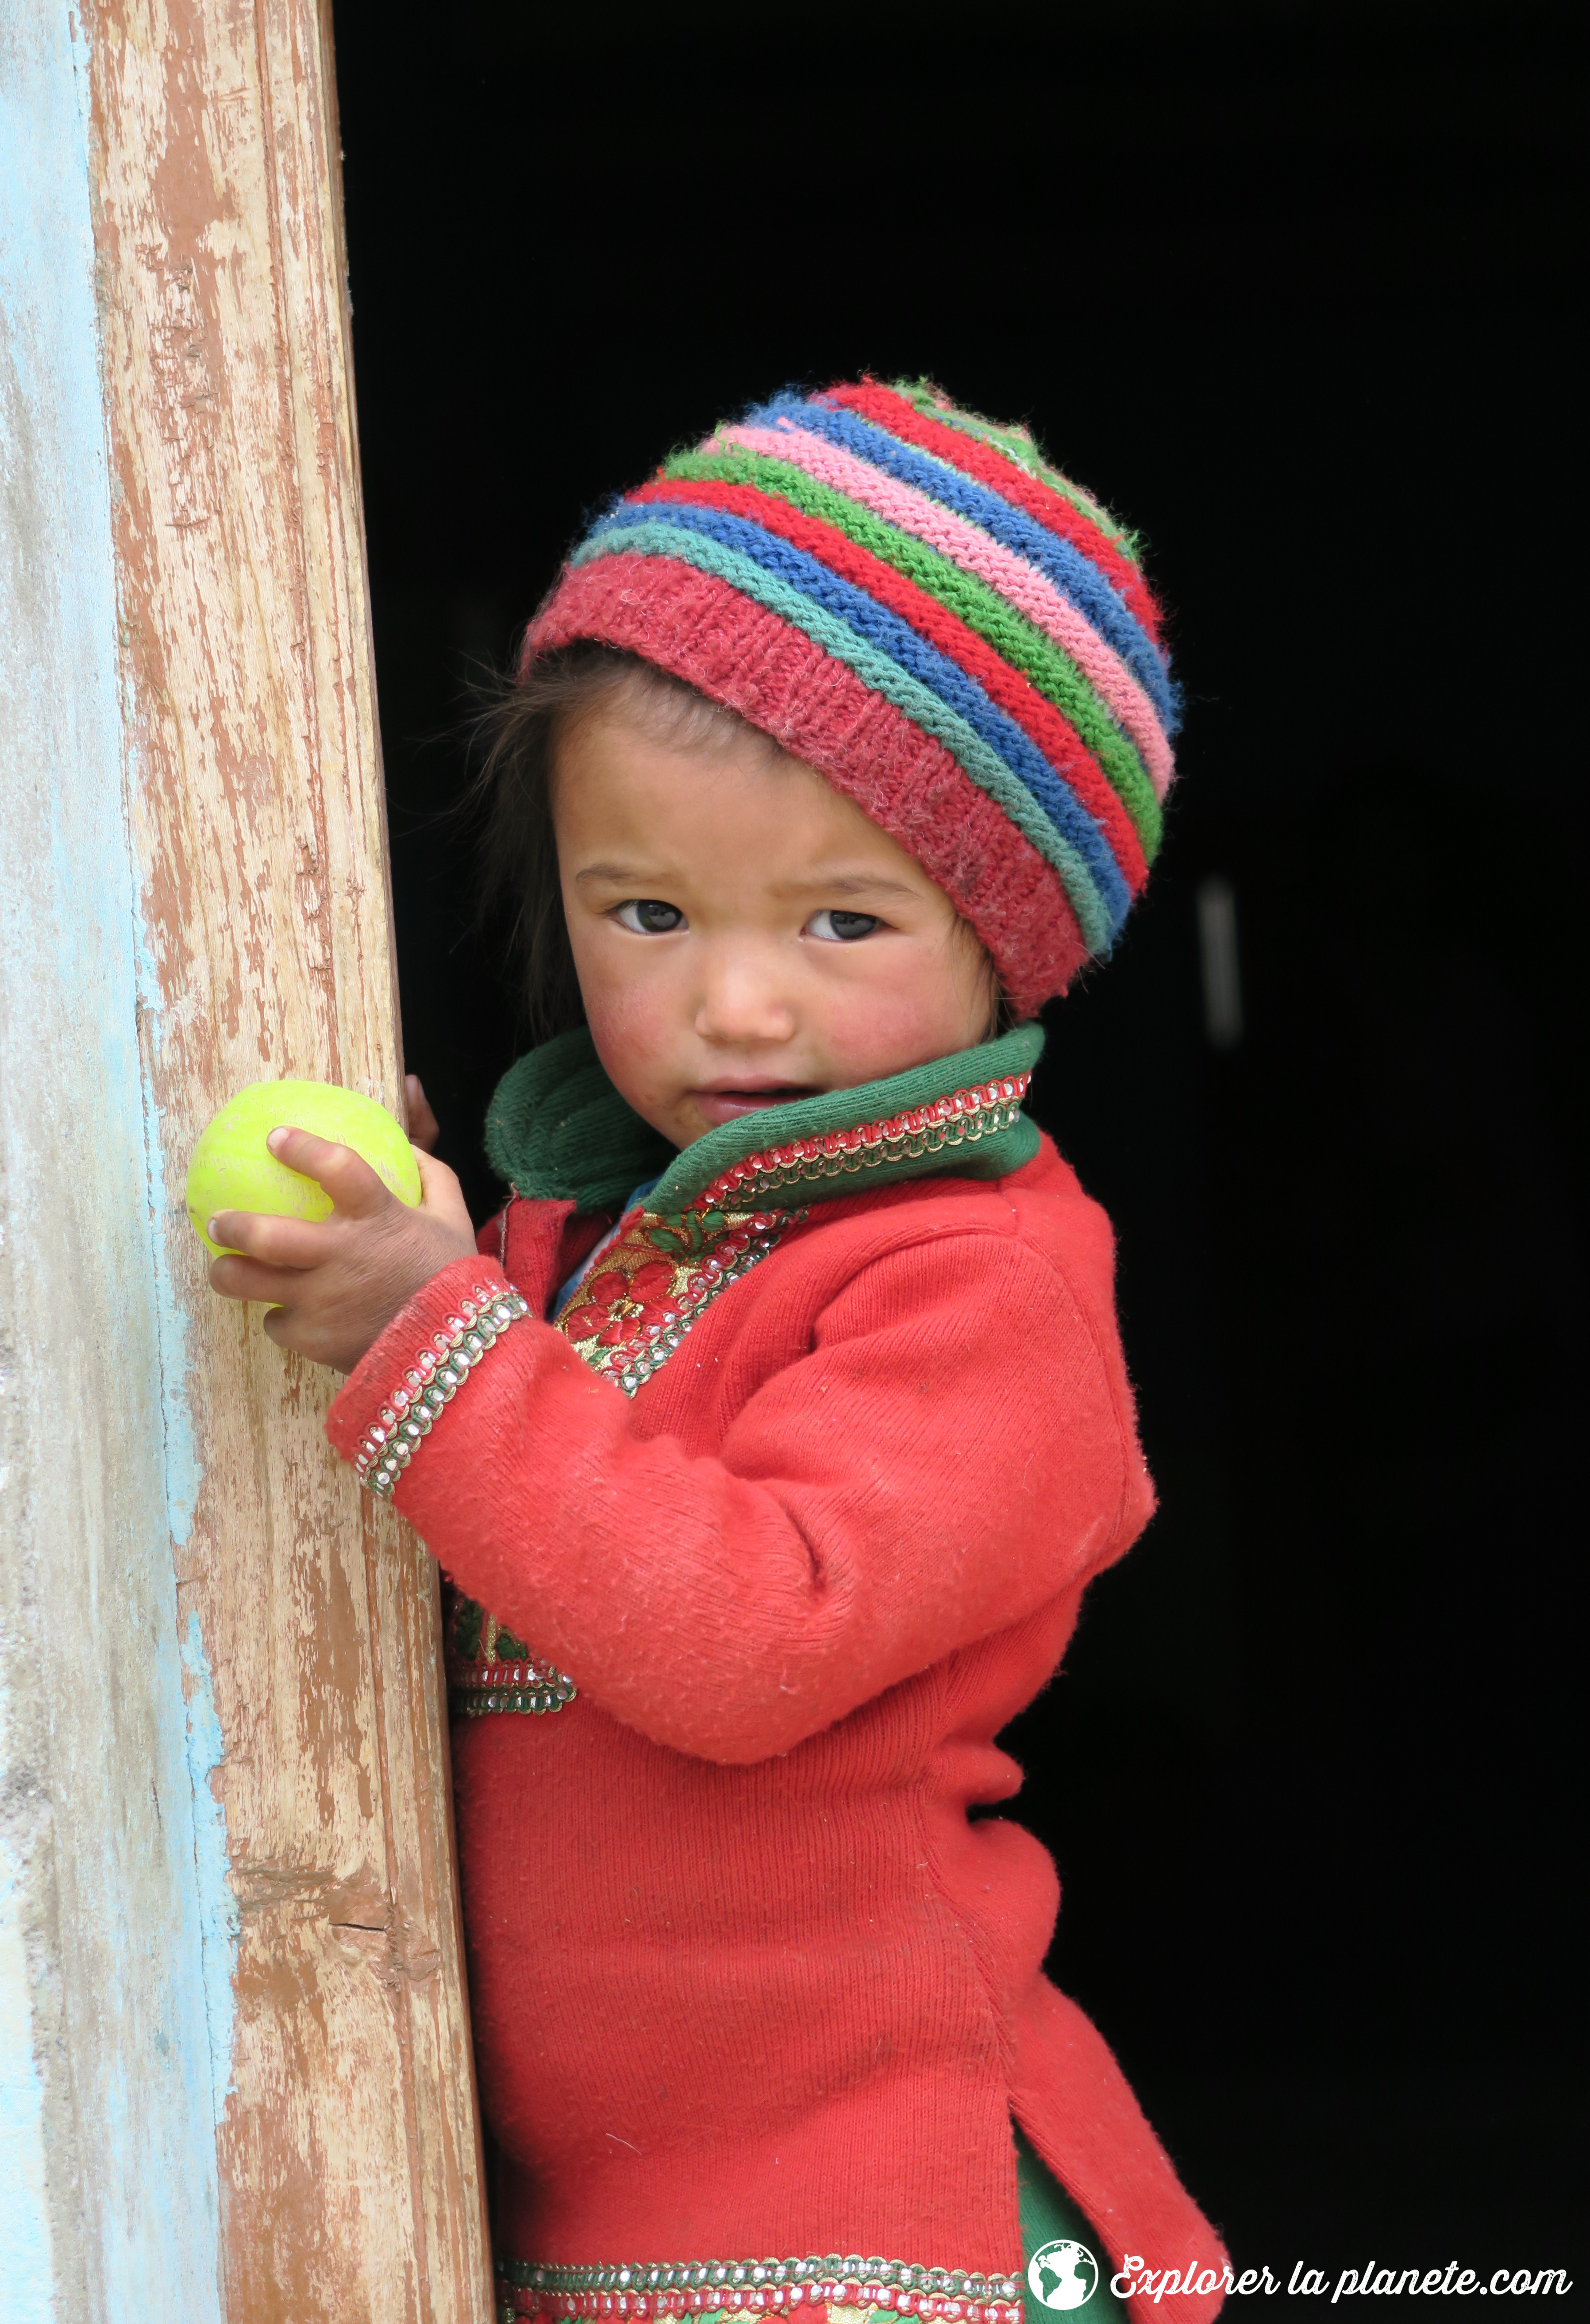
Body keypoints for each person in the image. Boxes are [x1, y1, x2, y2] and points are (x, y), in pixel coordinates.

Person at [205, 381, 1228, 2320]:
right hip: (587, 2232)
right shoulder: (587, 1246)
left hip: (886, 2227)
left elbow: (746, 1636)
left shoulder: (980, 1280)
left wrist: (432, 1336)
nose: (732, 1003)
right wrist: (443, 1271)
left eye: (841, 918)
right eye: (648, 911)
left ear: (1006, 942)